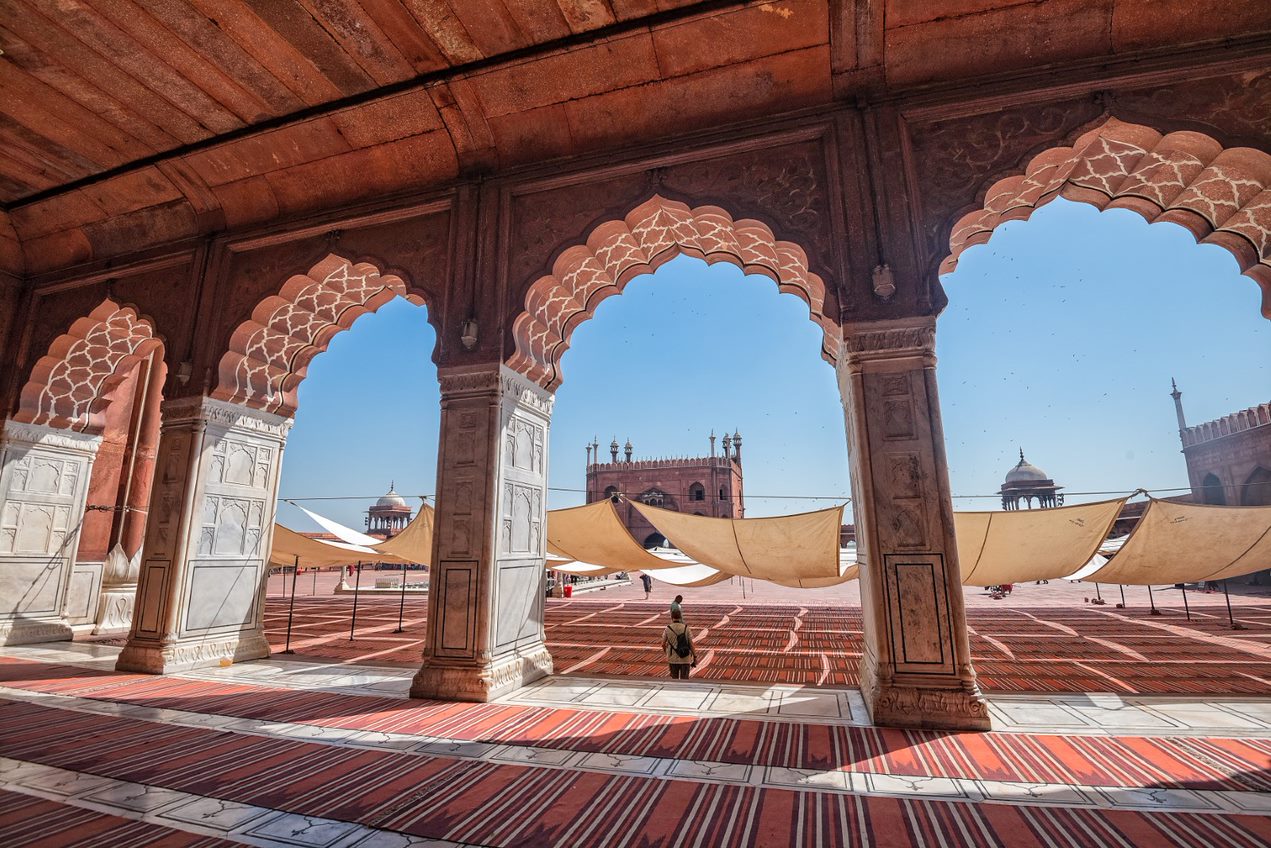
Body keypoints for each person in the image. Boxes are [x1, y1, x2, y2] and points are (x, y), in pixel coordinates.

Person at [662, 608, 696, 679]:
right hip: (685, 658)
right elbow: (691, 644)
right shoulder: (686, 628)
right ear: (680, 617)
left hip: (672, 659)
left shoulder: (667, 629)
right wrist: (695, 657)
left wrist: (667, 653)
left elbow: (663, 644)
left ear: (671, 617)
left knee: (674, 680)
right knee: (684, 681)